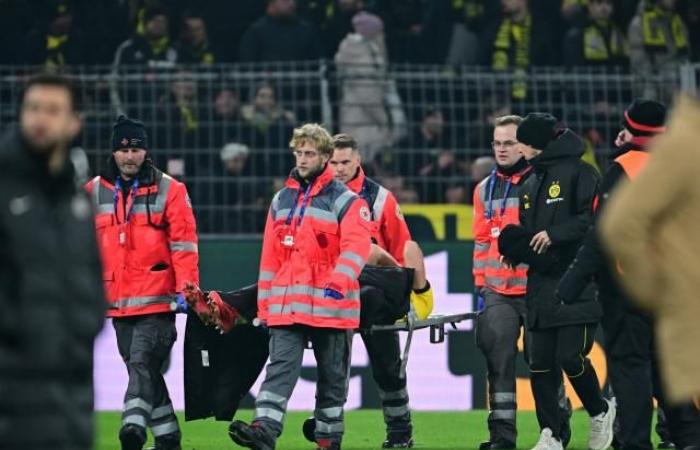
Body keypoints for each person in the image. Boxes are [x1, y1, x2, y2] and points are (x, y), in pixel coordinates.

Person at [228, 124, 372, 450]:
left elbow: (356, 247)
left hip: (330, 305)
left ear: (324, 156)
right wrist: (265, 306)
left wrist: (338, 283)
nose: (302, 159)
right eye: (298, 152)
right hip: (287, 306)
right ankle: (264, 430)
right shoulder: (282, 199)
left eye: (309, 153)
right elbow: (270, 258)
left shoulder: (347, 200)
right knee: (280, 370)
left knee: (332, 382)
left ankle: (327, 439)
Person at [0, 73, 106, 450]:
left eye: (53, 110)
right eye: (32, 108)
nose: (40, 119)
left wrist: (80, 331)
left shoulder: (77, 200)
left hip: (71, 405)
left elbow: (91, 280)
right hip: (12, 402)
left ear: (74, 122)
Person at [497, 113, 615, 450]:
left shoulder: (583, 173)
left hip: (579, 280)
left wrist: (554, 233)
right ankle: (551, 433)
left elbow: (596, 221)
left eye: (519, 139)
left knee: (570, 356)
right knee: (540, 364)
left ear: (533, 142)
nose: (516, 146)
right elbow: (534, 235)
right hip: (542, 284)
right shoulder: (530, 182)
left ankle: (599, 410)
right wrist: (519, 252)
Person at [86, 115, 199, 450]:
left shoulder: (171, 190)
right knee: (145, 370)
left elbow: (184, 244)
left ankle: (132, 425)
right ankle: (168, 439)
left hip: (159, 301)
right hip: (116, 305)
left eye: (135, 149)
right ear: (113, 153)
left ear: (145, 151)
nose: (129, 156)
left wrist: (186, 290)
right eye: (123, 150)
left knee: (140, 363)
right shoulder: (91, 192)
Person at [598, 95, 700, 449]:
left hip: (636, 289)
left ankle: (635, 440)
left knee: (633, 371)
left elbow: (606, 235)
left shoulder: (625, 172)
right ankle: (687, 438)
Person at [473, 115, 571, 450]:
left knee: (542, 362)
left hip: (535, 287)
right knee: (497, 361)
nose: (502, 149)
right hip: (497, 290)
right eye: (497, 143)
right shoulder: (483, 189)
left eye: (509, 143)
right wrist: (480, 286)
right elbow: (481, 240)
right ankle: (502, 437)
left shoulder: (544, 182)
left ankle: (557, 426)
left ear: (524, 145)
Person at [327, 133, 426, 447]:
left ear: (358, 160)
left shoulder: (380, 199)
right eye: (333, 162)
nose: (339, 169)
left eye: (345, 162)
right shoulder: (319, 196)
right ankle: (328, 434)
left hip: (374, 291)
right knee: (334, 371)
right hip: (334, 292)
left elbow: (401, 251)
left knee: (386, 368)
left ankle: (399, 434)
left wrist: (407, 296)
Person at [628, 0, 690, 100]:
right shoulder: (639, 23)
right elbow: (639, 64)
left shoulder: (677, 21)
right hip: (653, 94)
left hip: (679, 93)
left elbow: (685, 59)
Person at [238, 0, 322, 62]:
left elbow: (318, 63)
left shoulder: (307, 31)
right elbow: (248, 65)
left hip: (303, 83)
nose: (292, 4)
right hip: (266, 84)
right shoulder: (255, 32)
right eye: (286, 1)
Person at [562, 0, 628, 68]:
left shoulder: (617, 33)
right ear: (590, 6)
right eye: (599, 3)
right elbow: (574, 68)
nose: (604, 7)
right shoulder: (577, 35)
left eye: (608, 3)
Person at [113, 5, 177, 68]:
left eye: (163, 22)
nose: (159, 25)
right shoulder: (128, 48)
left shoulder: (174, 49)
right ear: (145, 24)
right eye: (155, 21)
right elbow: (116, 75)